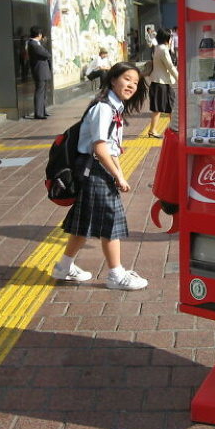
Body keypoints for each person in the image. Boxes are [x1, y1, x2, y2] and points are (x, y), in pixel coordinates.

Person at [52, 62, 150, 291]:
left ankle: (64, 267)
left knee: (83, 224)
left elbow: (111, 145)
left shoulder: (114, 107)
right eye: (127, 79)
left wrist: (118, 171)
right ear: (113, 79)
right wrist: (118, 175)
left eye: (135, 83)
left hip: (97, 170)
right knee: (110, 223)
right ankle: (116, 274)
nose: (131, 85)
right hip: (95, 171)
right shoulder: (104, 108)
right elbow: (100, 147)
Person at [147, 28, 178, 138]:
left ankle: (175, 128)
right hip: (160, 82)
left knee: (171, 105)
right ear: (167, 38)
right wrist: (179, 78)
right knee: (158, 108)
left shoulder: (158, 48)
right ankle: (152, 130)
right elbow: (169, 66)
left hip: (161, 82)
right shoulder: (163, 49)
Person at [26, 26, 51, 119]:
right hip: (39, 71)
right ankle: (38, 113)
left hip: (43, 71)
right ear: (39, 34)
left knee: (43, 92)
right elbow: (46, 54)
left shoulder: (37, 43)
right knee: (40, 92)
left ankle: (43, 111)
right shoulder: (33, 44)